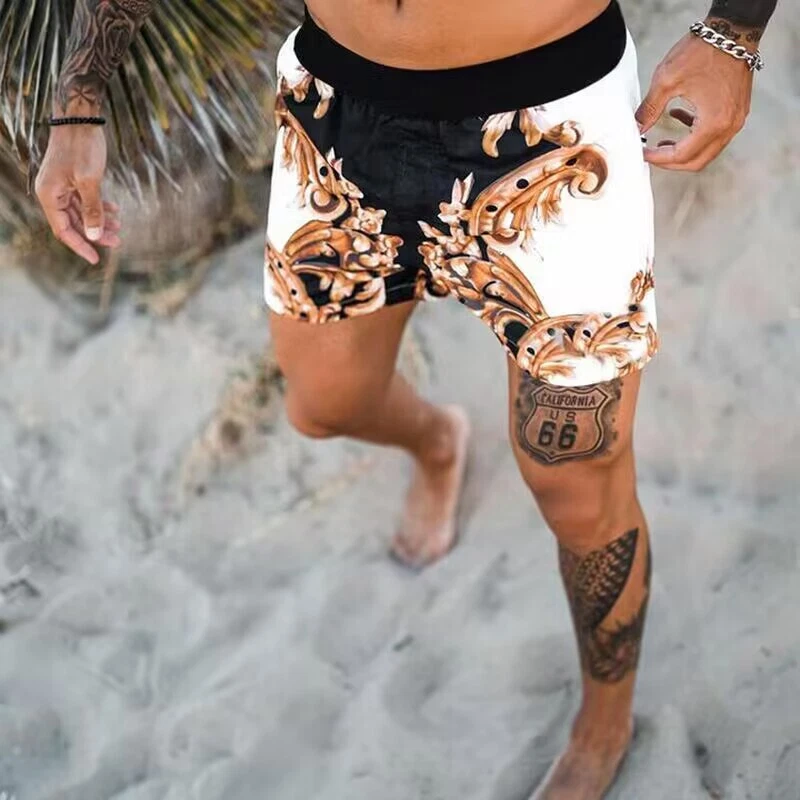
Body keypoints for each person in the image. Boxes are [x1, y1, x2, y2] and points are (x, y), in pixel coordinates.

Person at [35, 0, 779, 797]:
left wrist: (733, 32)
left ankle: (604, 720)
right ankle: (436, 441)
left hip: (554, 122)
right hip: (336, 110)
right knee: (326, 403)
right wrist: (80, 97)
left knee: (574, 476)